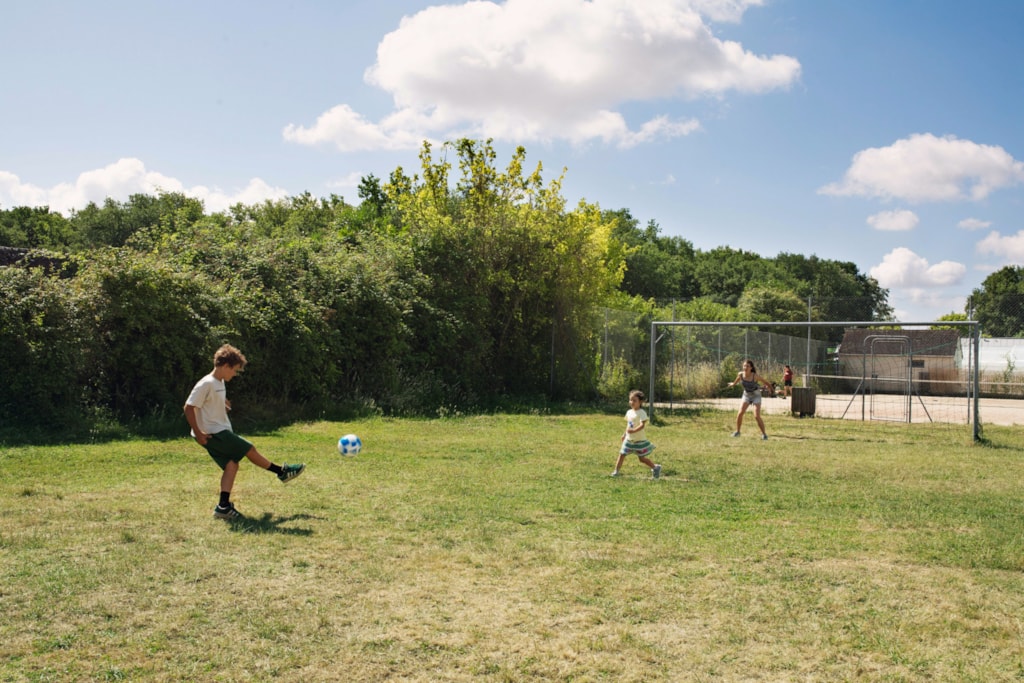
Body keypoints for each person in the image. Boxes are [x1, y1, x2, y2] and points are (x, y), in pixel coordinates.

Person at [184, 344, 306, 519]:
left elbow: (209, 402)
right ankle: (281, 472)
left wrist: (223, 404)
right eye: (234, 370)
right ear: (225, 366)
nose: (235, 374)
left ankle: (223, 507)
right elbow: (188, 407)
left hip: (216, 431)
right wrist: (199, 433)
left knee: (231, 465)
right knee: (249, 448)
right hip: (213, 433)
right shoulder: (206, 383)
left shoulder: (219, 382)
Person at [611, 389, 661, 479]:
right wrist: (624, 434)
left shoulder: (642, 413)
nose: (631, 402)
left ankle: (655, 467)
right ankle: (616, 471)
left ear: (640, 402)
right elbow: (629, 425)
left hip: (639, 441)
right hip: (629, 440)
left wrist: (633, 431)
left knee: (642, 459)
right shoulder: (629, 412)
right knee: (622, 454)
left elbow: (642, 425)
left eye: (634, 400)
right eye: (630, 400)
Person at [727, 359, 772, 440]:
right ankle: (737, 432)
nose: (745, 367)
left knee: (756, 416)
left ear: (751, 368)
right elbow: (737, 380)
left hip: (756, 395)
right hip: (746, 395)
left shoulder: (754, 376)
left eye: (747, 366)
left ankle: (764, 434)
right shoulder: (741, 374)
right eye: (744, 366)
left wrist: (771, 389)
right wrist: (733, 384)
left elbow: (766, 382)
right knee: (740, 413)